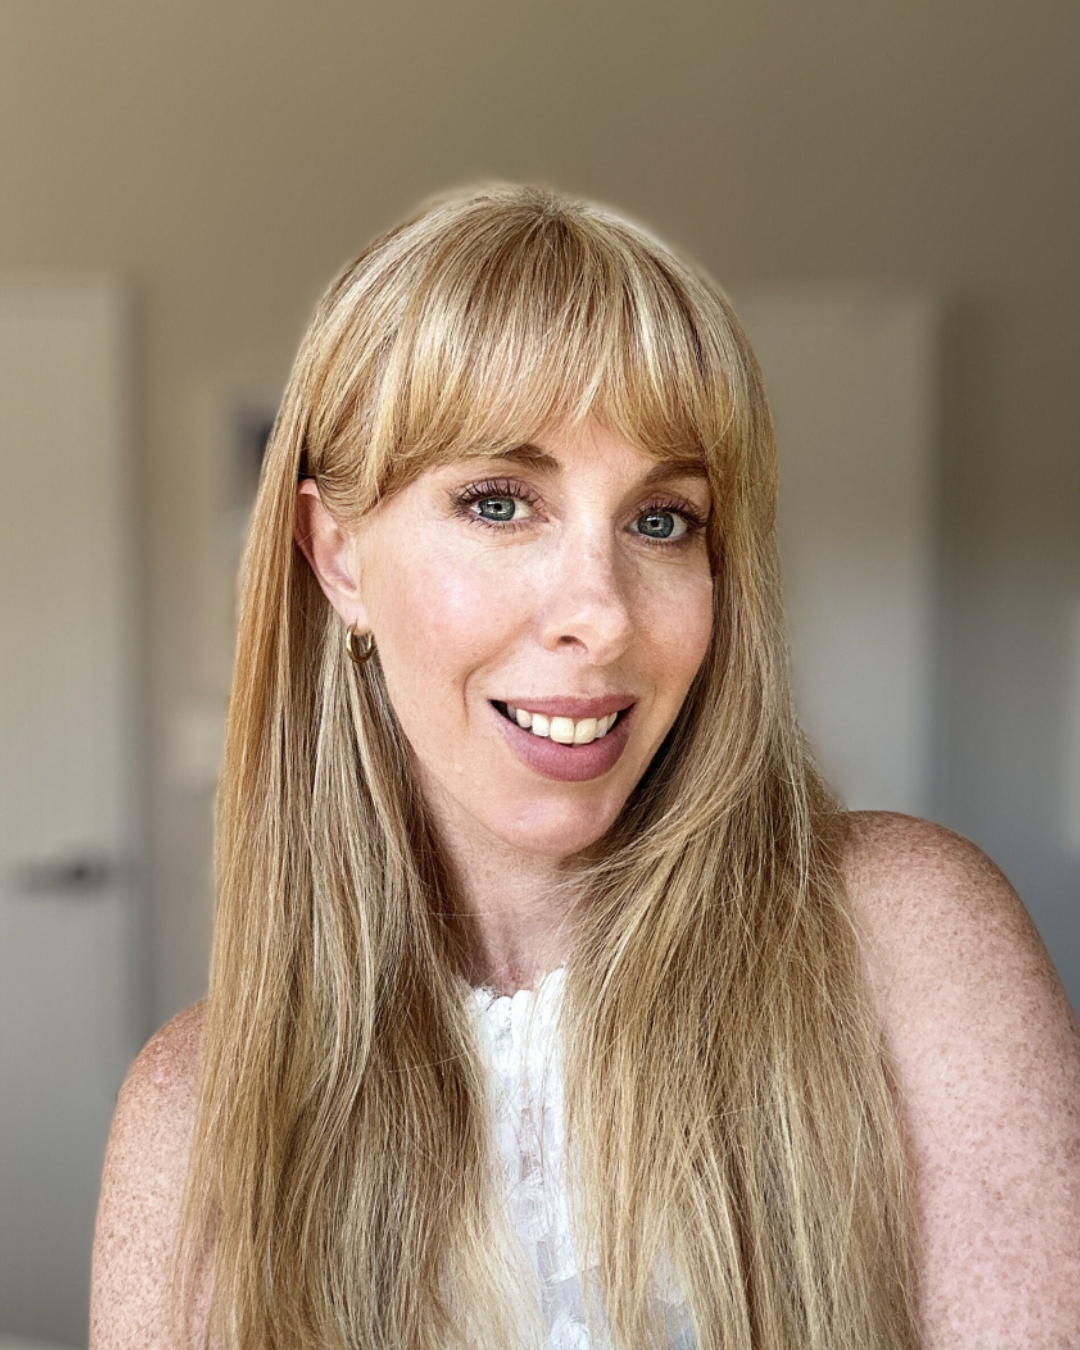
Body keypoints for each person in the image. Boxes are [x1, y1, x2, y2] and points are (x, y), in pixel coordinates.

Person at [90, 184, 1080, 1350]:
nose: (602, 616)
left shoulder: (901, 941)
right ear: (339, 557)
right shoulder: (192, 1121)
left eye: (662, 520)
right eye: (500, 503)